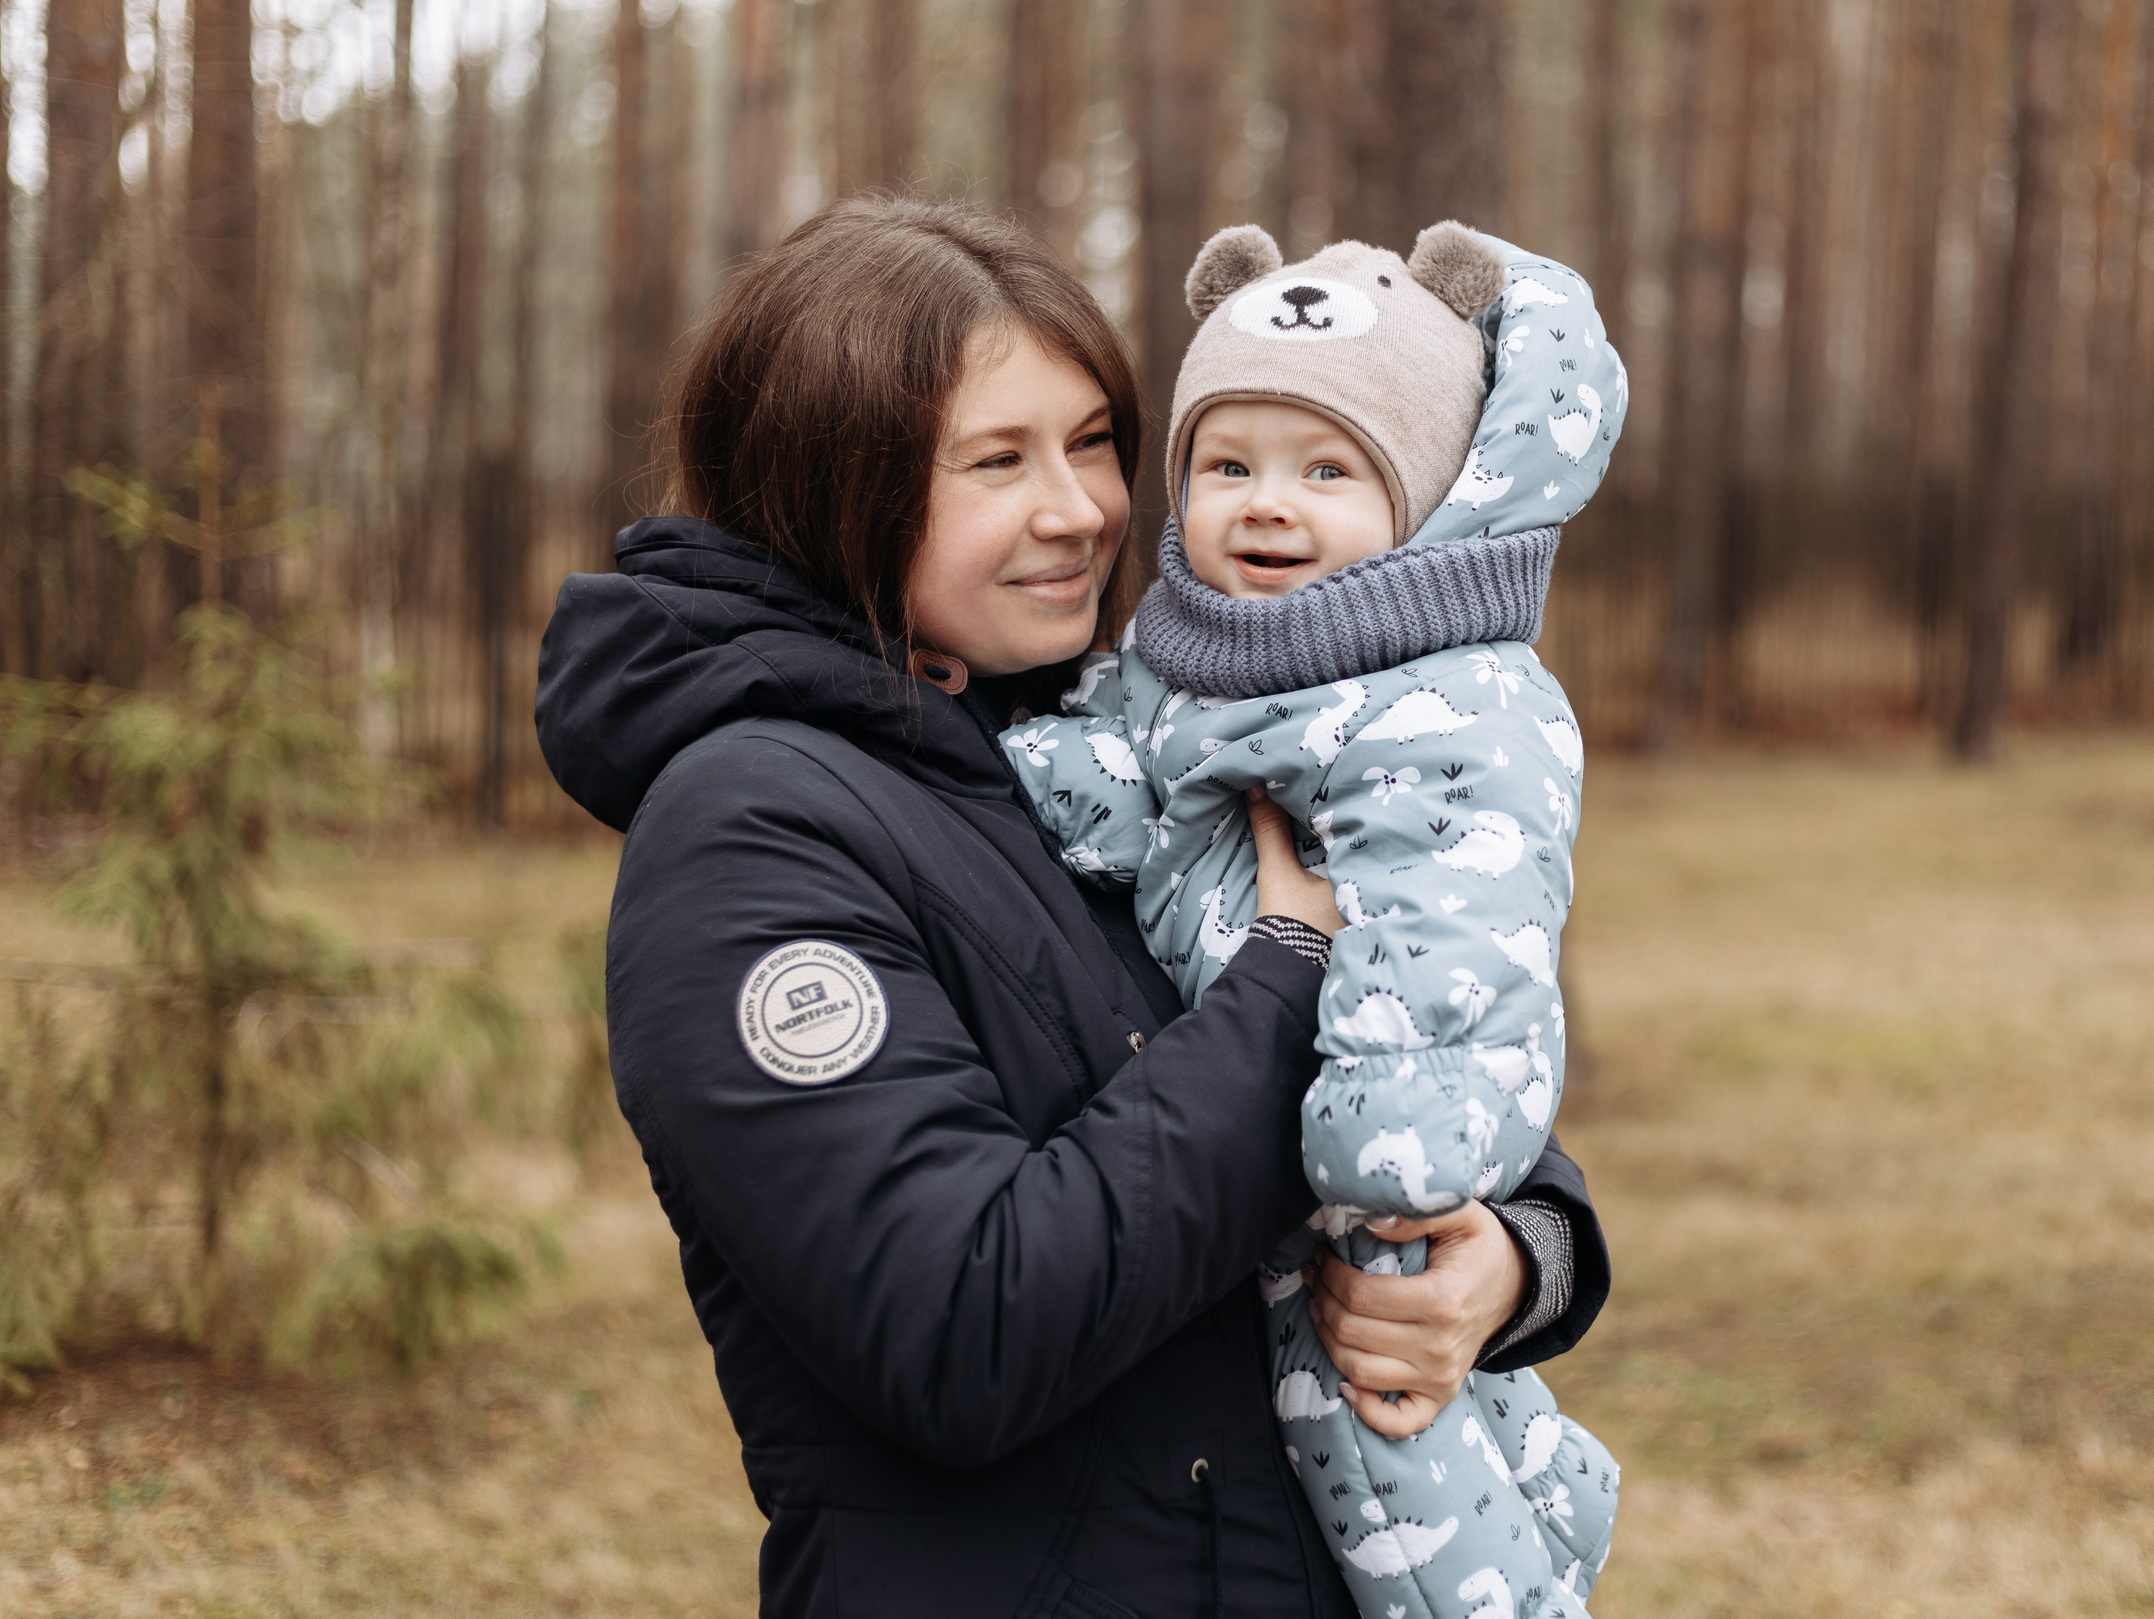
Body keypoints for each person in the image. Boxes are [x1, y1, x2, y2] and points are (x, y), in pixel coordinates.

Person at [533, 198, 1610, 1619]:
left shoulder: (1108, 736)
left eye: (1095, 441)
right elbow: (957, 1326)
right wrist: (1292, 973)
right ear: (827, 484)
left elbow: (1428, 1056)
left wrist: (1512, 1261)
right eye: (999, 461)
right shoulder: (752, 832)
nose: (1085, 509)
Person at [1000, 222, 1623, 1618]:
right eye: (1229, 467)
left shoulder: (1448, 700)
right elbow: (1144, 789)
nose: (1267, 507)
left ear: (1428, 499)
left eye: (1327, 470)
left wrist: (1397, 1133)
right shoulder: (1210, 656)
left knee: (1387, 1443)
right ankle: (1539, 1493)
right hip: (1261, 1158)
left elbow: (1455, 938)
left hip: (1381, 1146)